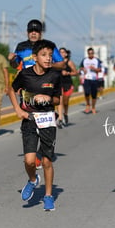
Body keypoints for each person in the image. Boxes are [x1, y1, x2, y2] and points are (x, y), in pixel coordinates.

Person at [8, 39, 61, 211]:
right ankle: (32, 180)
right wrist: (18, 110)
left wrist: (48, 99)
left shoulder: (54, 75)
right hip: (29, 120)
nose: (48, 59)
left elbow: (57, 99)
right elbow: (11, 89)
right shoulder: (25, 74)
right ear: (35, 57)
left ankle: (48, 196)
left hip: (47, 120)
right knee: (30, 161)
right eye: (44, 55)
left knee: (46, 161)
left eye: (50, 56)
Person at [8, 19, 64, 169]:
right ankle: (32, 152)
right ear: (27, 32)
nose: (33, 33)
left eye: (37, 31)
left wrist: (46, 62)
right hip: (28, 85)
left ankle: (42, 150)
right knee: (31, 118)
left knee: (48, 115)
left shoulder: (49, 46)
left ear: (40, 33)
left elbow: (61, 63)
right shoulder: (21, 46)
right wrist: (12, 60)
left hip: (46, 84)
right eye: (31, 31)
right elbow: (15, 65)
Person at [57, 47, 77, 127]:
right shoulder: (56, 62)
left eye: (63, 52)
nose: (61, 54)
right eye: (60, 52)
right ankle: (60, 118)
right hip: (59, 83)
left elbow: (75, 73)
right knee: (60, 101)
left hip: (68, 84)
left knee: (65, 102)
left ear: (66, 54)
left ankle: (65, 114)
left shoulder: (69, 62)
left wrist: (67, 73)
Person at [79, 47, 102, 114]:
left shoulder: (96, 60)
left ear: (93, 53)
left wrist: (94, 69)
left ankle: (93, 107)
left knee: (94, 95)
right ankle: (88, 105)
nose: (90, 55)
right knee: (86, 93)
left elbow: (100, 70)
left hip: (94, 79)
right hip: (86, 78)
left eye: (91, 53)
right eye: (89, 53)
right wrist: (83, 69)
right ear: (87, 53)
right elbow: (80, 68)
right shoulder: (84, 60)